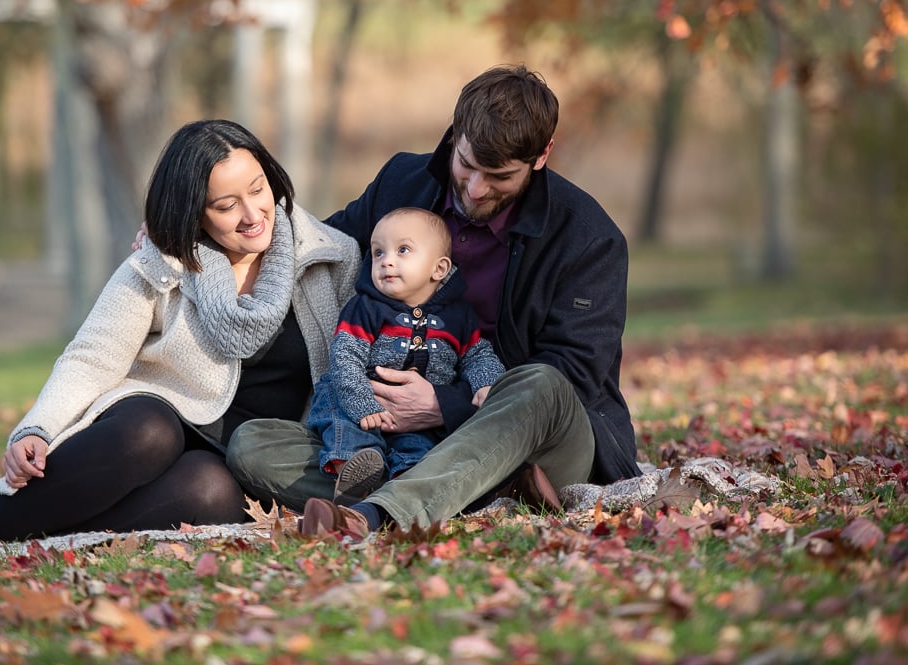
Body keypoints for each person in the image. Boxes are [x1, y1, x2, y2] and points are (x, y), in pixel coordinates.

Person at [0, 119, 360, 557]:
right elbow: (93, 355)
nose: (252, 213)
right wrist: (37, 427)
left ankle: (7, 541)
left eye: (257, 190)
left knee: (208, 489)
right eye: (224, 205)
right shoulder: (163, 260)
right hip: (162, 419)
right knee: (148, 430)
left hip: (249, 452)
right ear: (194, 213)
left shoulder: (328, 258)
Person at [226, 64, 642, 538]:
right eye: (466, 164)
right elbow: (319, 247)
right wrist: (191, 241)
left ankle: (374, 514)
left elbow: (575, 379)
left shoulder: (587, 240)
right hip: (396, 436)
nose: (476, 188)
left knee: (542, 383)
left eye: (499, 176)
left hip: (539, 438)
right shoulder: (403, 182)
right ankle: (485, 494)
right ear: (455, 133)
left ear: (543, 155)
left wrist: (446, 405)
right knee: (252, 444)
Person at [306, 207, 506, 506]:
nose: (386, 261)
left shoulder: (458, 316)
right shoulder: (366, 307)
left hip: (419, 420)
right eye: (377, 253)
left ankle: (407, 484)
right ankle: (353, 470)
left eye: (403, 250)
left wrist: (486, 384)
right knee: (342, 418)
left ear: (438, 269)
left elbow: (477, 356)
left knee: (420, 446)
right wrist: (363, 404)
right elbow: (345, 355)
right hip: (356, 399)